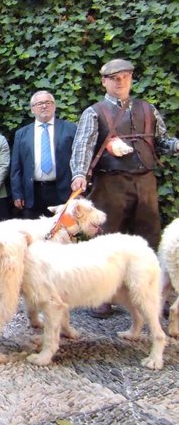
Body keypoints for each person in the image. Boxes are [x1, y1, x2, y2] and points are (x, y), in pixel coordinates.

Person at [70, 58, 179, 318]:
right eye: (114, 78)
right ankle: (101, 296)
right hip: (110, 182)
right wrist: (79, 174)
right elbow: (82, 147)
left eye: (125, 76)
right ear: (104, 81)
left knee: (149, 238)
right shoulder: (94, 112)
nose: (120, 82)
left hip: (145, 182)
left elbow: (162, 142)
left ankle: (153, 295)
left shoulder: (147, 109)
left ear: (131, 78)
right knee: (106, 240)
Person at [10, 90, 77, 218]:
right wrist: (17, 194)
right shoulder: (22, 134)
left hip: (62, 191)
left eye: (48, 102)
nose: (44, 106)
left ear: (54, 106)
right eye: (39, 103)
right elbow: (16, 167)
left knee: (62, 233)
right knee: (33, 234)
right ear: (32, 109)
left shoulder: (70, 129)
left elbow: (78, 159)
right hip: (33, 193)